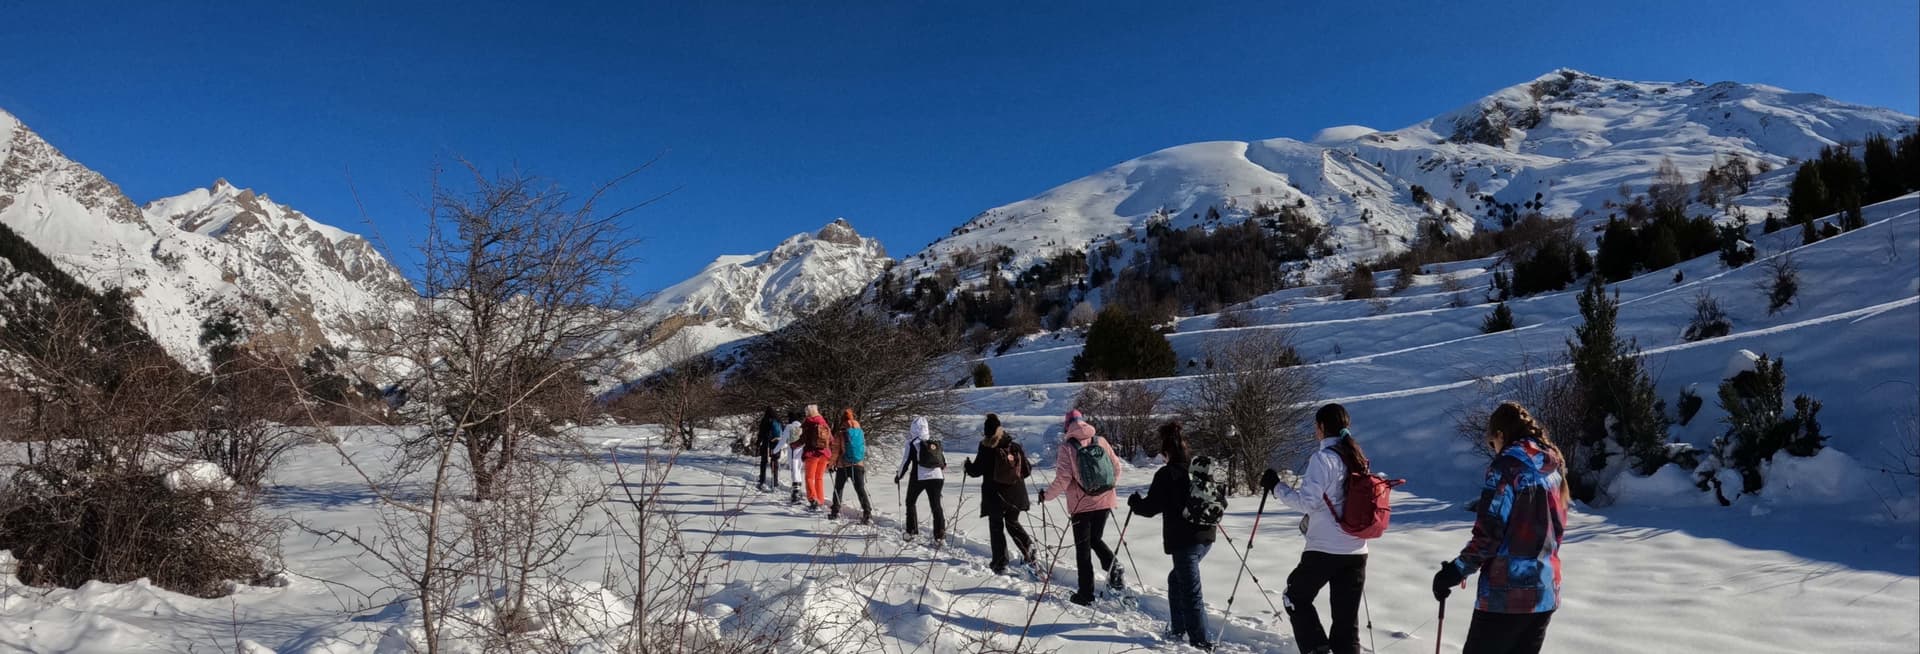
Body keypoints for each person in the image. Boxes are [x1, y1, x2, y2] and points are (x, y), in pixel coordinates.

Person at [1431, 401, 1569, 654]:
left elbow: (1489, 533)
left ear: (1500, 435)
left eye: (1491, 442)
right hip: (1545, 591)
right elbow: (1557, 530)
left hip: (1506, 594)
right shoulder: (1552, 468)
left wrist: (1455, 571)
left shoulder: (1506, 467)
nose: (1493, 449)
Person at [1264, 403, 1370, 654]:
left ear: (1321, 427)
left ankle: (1317, 649)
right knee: (1346, 624)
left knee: (1294, 598)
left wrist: (1277, 487)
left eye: (1316, 426)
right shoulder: (1358, 459)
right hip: (1357, 551)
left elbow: (1306, 503)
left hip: (1324, 549)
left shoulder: (1324, 459)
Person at [1127, 422, 1218, 651]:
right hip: (1206, 535)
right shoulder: (1196, 470)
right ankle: (1179, 629)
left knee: (1191, 591)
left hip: (1184, 541)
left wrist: (1135, 503)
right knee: (1176, 580)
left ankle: (1200, 642)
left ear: (1165, 453)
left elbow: (1150, 508)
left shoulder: (1166, 474)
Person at [1037, 409, 1124, 605]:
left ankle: (1085, 594)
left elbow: (1063, 479)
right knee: (1095, 539)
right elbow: (1117, 468)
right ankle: (1113, 566)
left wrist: (1046, 496)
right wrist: (1107, 488)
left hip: (1081, 505)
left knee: (1083, 550)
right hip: (1105, 501)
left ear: (1067, 426)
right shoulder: (1100, 441)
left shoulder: (1067, 448)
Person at [962, 413, 1034, 575]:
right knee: (1012, 522)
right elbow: (1027, 470)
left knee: (996, 527)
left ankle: (1000, 562)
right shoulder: (1014, 446)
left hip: (995, 495)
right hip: (1016, 494)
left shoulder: (986, 447)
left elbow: (976, 471)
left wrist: (967, 466)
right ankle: (1028, 548)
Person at [894, 416, 947, 541]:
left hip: (919, 477)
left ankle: (911, 531)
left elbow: (905, 462)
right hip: (937, 477)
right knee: (936, 505)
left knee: (910, 502)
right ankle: (940, 535)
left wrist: (899, 476)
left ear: (913, 429)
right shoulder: (935, 443)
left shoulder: (913, 443)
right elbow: (944, 464)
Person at [830, 408, 874, 524]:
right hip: (858, 464)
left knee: (838, 488)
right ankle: (867, 512)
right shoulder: (860, 431)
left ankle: (835, 511)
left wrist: (831, 464)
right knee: (860, 489)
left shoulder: (841, 433)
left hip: (843, 465)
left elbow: (835, 451)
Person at [799, 405, 833, 512]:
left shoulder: (807, 423)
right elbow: (831, 439)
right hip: (824, 454)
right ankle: (820, 500)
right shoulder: (823, 422)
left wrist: (793, 444)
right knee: (819, 478)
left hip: (812, 454)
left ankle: (813, 500)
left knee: (809, 478)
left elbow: (801, 439)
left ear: (808, 413)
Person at [757, 407, 783, 491]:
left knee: (764, 462)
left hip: (767, 443)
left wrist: (758, 443)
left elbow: (761, 433)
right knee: (774, 462)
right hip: (776, 443)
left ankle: (762, 482)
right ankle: (775, 483)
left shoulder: (765, 420)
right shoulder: (778, 420)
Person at [785, 409, 806, 505]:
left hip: (792, 452)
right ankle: (799, 492)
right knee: (798, 470)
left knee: (794, 471)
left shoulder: (789, 426)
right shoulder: (803, 427)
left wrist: (775, 451)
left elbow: (782, 442)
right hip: (801, 452)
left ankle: (795, 494)